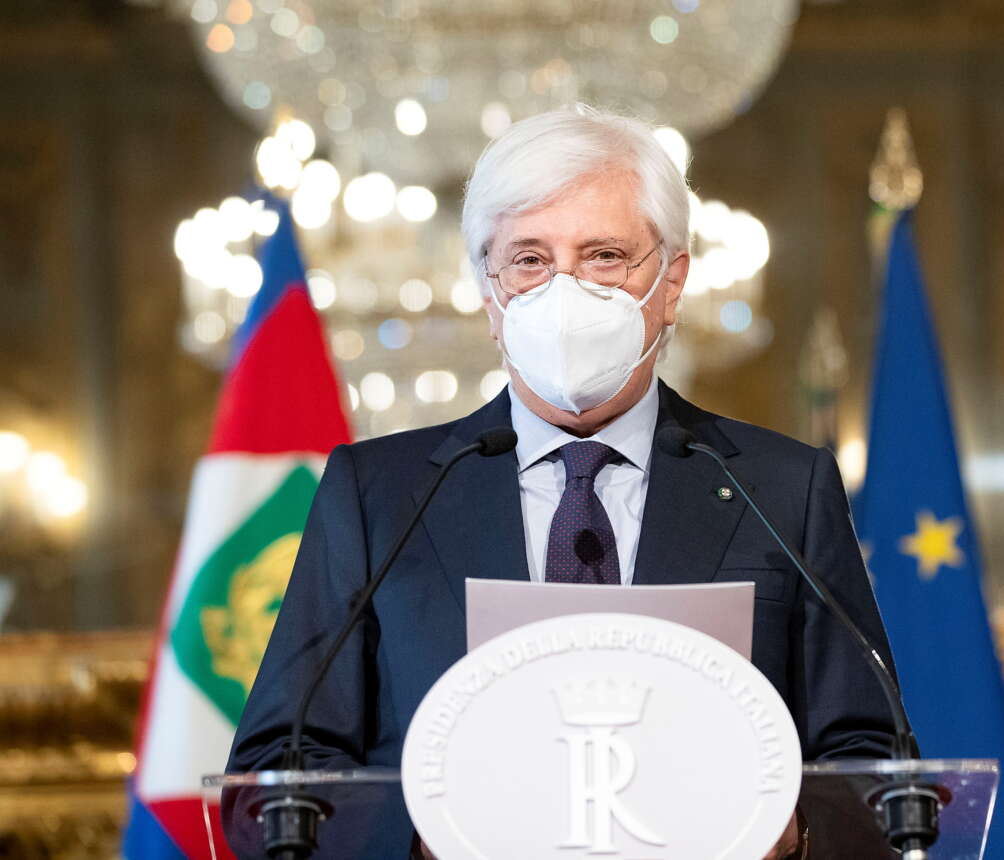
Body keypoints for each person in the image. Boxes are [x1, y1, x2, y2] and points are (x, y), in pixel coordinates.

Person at [229, 104, 900, 859]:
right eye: (529, 260)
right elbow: (274, 773)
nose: (564, 292)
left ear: (672, 283)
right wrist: (430, 834)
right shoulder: (378, 494)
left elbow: (873, 764)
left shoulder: (782, 489)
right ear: (488, 293)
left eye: (604, 256)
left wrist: (791, 825)